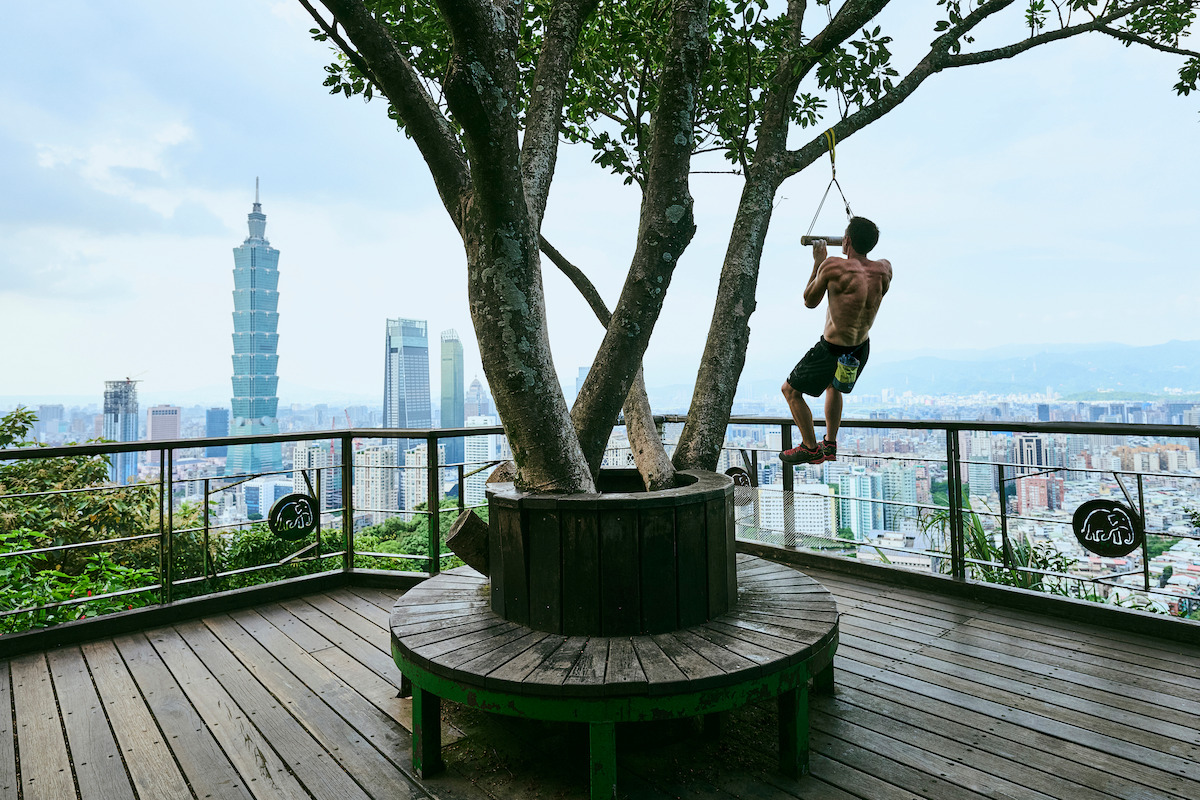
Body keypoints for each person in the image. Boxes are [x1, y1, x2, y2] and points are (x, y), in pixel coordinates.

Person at [780, 216, 891, 465]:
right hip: (860, 348)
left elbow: (809, 301)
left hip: (831, 348)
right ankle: (830, 444)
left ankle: (810, 447)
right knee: (834, 387)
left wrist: (818, 263)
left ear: (847, 240)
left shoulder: (833, 266)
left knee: (790, 391)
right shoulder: (884, 269)